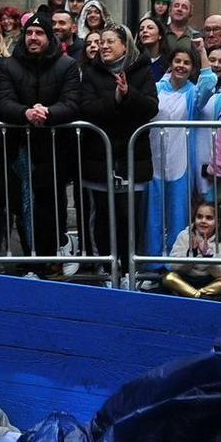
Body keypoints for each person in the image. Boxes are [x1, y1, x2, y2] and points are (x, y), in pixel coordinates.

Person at [0, 7, 80, 270]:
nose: (33, 37)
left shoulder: (67, 65)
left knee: (51, 208)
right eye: (29, 32)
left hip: (54, 151)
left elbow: (71, 103)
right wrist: (26, 113)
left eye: (39, 33)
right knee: (23, 207)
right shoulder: (9, 65)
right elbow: (4, 101)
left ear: (49, 37)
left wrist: (48, 113)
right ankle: (30, 263)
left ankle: (50, 260)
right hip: (19, 149)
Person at [77, 23, 157, 278]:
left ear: (125, 45)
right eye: (102, 42)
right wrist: (114, 100)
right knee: (102, 217)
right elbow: (86, 108)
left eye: (110, 41)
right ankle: (105, 270)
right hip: (99, 158)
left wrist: (128, 93)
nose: (103, 46)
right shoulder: (91, 73)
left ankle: (127, 271)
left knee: (128, 218)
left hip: (132, 159)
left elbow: (151, 107)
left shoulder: (142, 71)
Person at [144, 44, 220, 260]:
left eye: (187, 63)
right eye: (177, 61)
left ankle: (175, 262)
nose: (181, 66)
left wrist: (202, 51)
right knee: (153, 214)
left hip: (182, 162)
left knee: (178, 214)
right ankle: (152, 263)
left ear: (192, 68)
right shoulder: (155, 88)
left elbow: (209, 83)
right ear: (170, 63)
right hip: (154, 160)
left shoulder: (193, 93)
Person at [161, 201, 221, 299]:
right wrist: (192, 253)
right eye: (199, 217)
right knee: (168, 278)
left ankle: (193, 294)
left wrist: (208, 256)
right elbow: (173, 267)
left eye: (209, 218)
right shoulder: (184, 235)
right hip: (185, 280)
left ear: (218, 223)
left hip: (209, 281)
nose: (203, 221)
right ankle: (199, 296)